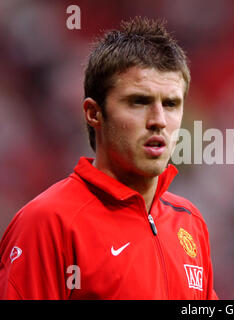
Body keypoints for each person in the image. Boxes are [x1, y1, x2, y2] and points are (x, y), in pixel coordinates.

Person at [0, 17, 218, 300]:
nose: (159, 121)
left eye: (171, 104)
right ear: (94, 113)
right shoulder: (47, 223)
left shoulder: (189, 222)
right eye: (138, 102)